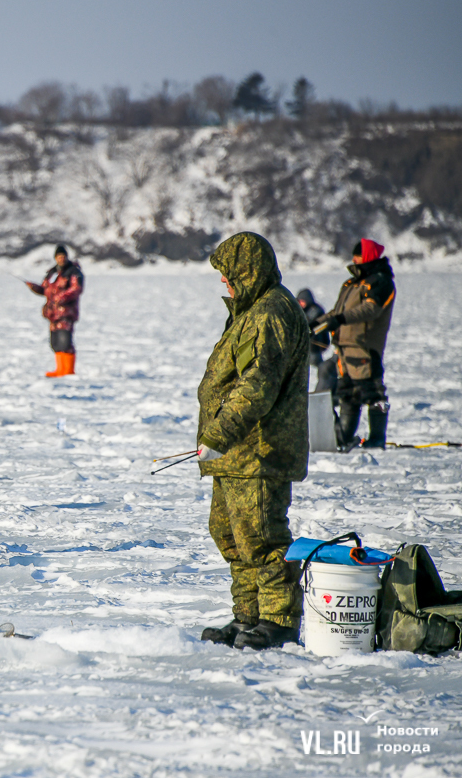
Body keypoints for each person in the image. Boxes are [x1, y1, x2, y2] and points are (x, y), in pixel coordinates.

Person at [196, 232, 309, 651]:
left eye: (227, 274)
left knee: (261, 537)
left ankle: (277, 621)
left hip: (258, 451)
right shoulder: (248, 311)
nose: (222, 282)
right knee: (229, 534)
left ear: (247, 272)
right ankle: (248, 617)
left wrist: (218, 434)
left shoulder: (270, 313)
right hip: (234, 454)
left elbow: (256, 386)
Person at [315, 239, 396, 450]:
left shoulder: (380, 282)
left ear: (367, 257)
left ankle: (377, 438)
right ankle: (343, 437)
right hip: (345, 347)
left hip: (365, 347)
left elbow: (371, 309)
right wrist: (319, 322)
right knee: (348, 394)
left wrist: (340, 320)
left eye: (357, 256)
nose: (354, 259)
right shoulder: (351, 284)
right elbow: (337, 312)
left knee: (373, 392)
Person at [26, 244, 84, 377]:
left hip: (66, 312)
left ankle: (68, 370)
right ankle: (60, 369)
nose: (61, 259)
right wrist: (34, 288)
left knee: (65, 341)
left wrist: (61, 297)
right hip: (52, 313)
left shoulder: (73, 272)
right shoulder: (52, 273)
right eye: (59, 256)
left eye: (63, 256)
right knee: (55, 343)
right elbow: (46, 290)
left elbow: (76, 289)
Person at [296, 288, 336, 394]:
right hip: (302, 348)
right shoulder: (298, 310)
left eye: (303, 301)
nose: (301, 303)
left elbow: (319, 329)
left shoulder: (316, 311)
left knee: (317, 367)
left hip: (315, 347)